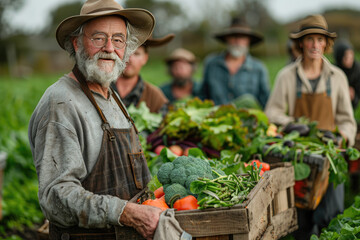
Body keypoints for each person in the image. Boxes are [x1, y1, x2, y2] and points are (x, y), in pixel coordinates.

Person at [28, 0, 177, 239]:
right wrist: (128, 213)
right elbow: (56, 195)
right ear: (77, 43)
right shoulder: (61, 103)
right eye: (98, 38)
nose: (109, 47)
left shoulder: (111, 97)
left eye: (118, 40)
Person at [264, 14, 357, 239]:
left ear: (326, 44)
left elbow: (347, 120)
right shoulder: (287, 76)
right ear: (301, 43)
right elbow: (272, 112)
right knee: (300, 221)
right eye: (310, 39)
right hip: (297, 155)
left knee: (330, 218)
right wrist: (293, 125)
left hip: (329, 155)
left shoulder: (337, 77)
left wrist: (342, 136)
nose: (315, 45)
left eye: (320, 40)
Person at [198, 17, 270, 108]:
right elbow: (202, 96)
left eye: (242, 37)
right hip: (216, 119)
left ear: (248, 41)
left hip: (247, 120)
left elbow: (266, 101)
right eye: (234, 36)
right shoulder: (211, 64)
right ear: (227, 38)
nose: (237, 41)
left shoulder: (258, 68)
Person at [112, 34, 174, 113]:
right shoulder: (99, 88)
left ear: (145, 58)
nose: (129, 59)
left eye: (136, 54)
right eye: (126, 52)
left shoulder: (155, 97)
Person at [333, 39, 360, 109]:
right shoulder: (334, 69)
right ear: (340, 57)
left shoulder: (357, 69)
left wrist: (353, 95)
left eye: (351, 56)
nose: (349, 59)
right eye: (346, 57)